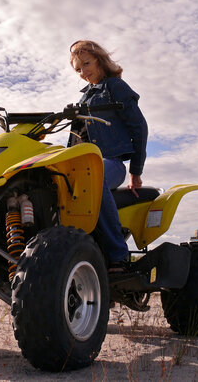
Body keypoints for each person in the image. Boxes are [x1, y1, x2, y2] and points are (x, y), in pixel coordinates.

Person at [68, 40, 148, 272]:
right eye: (78, 69)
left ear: (100, 60)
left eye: (87, 64)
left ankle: (119, 256)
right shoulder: (82, 100)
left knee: (94, 175)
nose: (83, 72)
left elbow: (139, 127)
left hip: (111, 162)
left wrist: (136, 171)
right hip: (81, 164)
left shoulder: (115, 87)